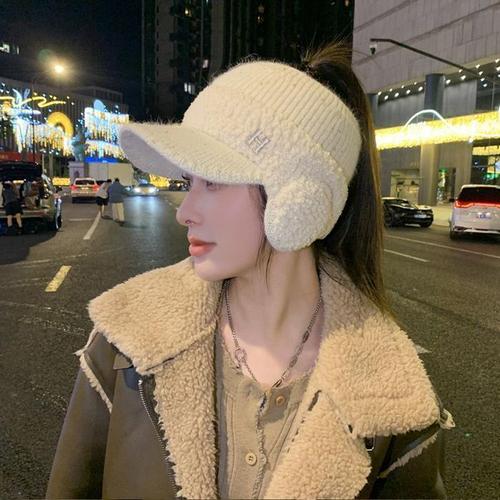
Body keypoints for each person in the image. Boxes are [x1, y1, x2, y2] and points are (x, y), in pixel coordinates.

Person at [47, 43, 454, 499]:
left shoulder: (394, 394)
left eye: (212, 181)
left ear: (298, 197)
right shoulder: (128, 338)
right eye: (188, 182)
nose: (185, 212)